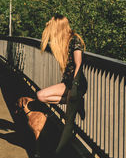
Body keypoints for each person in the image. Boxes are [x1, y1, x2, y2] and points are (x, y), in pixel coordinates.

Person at [18, 14, 86, 142]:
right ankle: (76, 102)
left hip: (77, 82)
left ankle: (60, 151)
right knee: (41, 96)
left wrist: (75, 87)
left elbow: (78, 64)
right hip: (67, 82)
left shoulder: (75, 40)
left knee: (67, 120)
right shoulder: (64, 40)